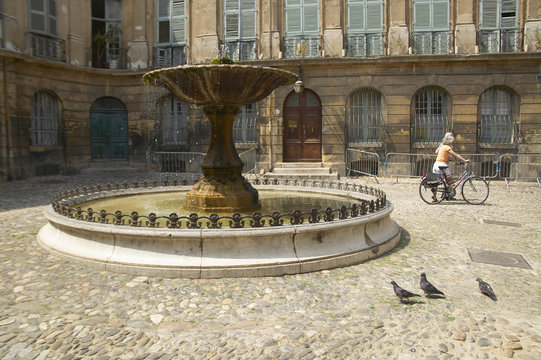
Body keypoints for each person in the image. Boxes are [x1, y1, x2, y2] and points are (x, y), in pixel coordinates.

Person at [432, 134, 469, 201]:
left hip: (436, 164)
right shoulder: (447, 147)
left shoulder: (442, 147)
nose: (452, 142)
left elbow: (450, 157)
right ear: (449, 141)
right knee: (451, 180)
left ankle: (435, 197)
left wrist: (456, 162)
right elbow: (456, 154)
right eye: (451, 141)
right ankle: (446, 194)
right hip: (442, 165)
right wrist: (465, 160)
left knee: (436, 182)